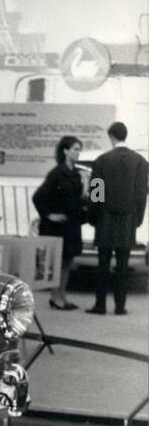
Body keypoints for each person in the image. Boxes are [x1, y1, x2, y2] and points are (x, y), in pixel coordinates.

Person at [87, 121, 148, 315]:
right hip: (128, 220)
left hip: (105, 220)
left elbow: (96, 192)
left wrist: (93, 217)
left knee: (102, 265)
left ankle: (100, 305)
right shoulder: (140, 162)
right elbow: (141, 194)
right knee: (122, 266)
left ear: (111, 136)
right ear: (125, 135)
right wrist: (138, 219)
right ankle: (120, 307)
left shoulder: (102, 160)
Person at [32, 135, 85, 311]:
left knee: (68, 262)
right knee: (58, 262)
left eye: (79, 149)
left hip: (71, 226)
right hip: (57, 228)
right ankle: (55, 298)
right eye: (75, 149)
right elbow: (38, 197)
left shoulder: (76, 173)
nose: (78, 153)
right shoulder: (56, 173)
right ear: (65, 151)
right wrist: (49, 215)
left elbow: (78, 198)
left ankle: (62, 295)